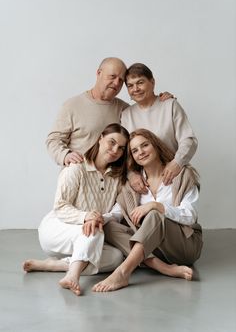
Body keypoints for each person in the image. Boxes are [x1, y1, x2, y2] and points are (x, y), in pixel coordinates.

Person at [23, 123, 130, 296]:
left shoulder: (118, 177)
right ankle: (73, 276)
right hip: (57, 229)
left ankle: (55, 265)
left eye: (121, 148)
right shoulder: (77, 167)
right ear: (100, 138)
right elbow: (60, 206)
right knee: (94, 231)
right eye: (111, 142)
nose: (115, 150)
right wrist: (87, 216)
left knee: (116, 257)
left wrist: (101, 217)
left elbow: (118, 210)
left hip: (87, 237)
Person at [92, 129, 203, 292]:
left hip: (183, 246)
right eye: (135, 150)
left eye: (145, 145)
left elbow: (190, 216)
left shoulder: (182, 175)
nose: (141, 152)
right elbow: (117, 212)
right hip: (152, 248)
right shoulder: (134, 184)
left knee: (154, 215)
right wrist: (99, 218)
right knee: (107, 226)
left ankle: (123, 272)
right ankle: (163, 268)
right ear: (132, 157)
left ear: (156, 145)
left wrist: (156, 206)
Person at [46, 57, 172, 167]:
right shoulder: (72, 105)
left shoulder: (125, 110)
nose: (116, 83)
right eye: (112, 76)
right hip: (79, 178)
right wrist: (65, 155)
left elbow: (144, 129)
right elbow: (53, 140)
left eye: (121, 80)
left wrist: (161, 101)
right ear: (99, 73)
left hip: (113, 183)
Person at [121, 63, 198, 191]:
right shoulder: (126, 115)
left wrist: (177, 162)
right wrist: (131, 174)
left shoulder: (170, 105)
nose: (135, 89)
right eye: (130, 85)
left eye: (140, 82)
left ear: (152, 82)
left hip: (173, 176)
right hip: (144, 184)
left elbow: (188, 140)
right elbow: (125, 153)